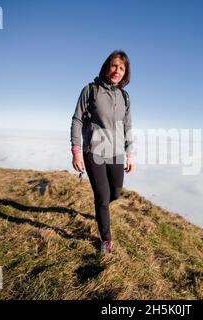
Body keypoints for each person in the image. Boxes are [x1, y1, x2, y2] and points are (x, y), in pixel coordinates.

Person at [70, 50, 134, 254]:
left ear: (125, 73)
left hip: (116, 153)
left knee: (115, 192)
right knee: (103, 197)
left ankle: (101, 207)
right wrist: (76, 150)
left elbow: (128, 126)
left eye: (122, 68)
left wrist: (130, 153)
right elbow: (77, 119)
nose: (117, 70)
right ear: (107, 66)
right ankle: (106, 241)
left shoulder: (124, 96)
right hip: (94, 151)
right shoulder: (91, 90)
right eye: (114, 66)